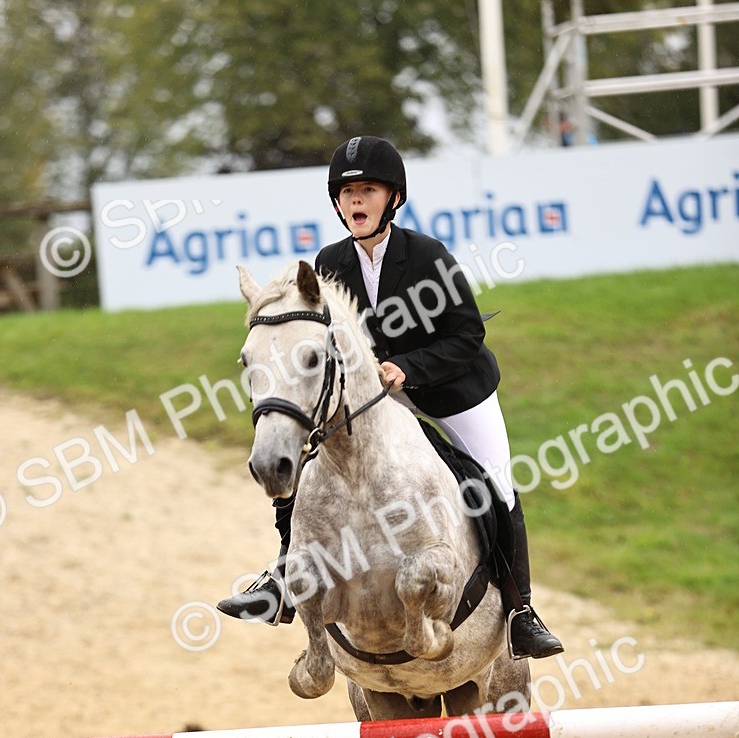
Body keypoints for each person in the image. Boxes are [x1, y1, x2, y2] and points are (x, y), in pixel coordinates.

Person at [218, 136, 563, 659]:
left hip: (452, 390)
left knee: (495, 482)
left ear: (393, 199)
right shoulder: (329, 263)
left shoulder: (426, 255)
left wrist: (407, 367)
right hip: (377, 399)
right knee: (309, 462)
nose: (356, 201)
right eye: (347, 192)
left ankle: (520, 611)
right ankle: (281, 580)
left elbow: (467, 335)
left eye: (368, 190)